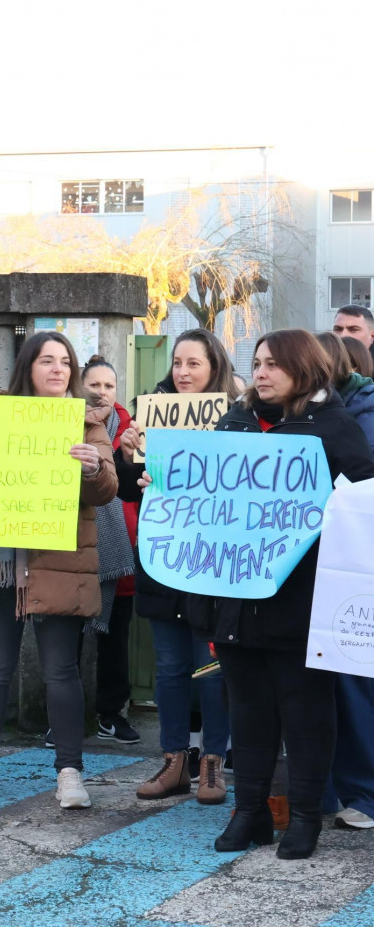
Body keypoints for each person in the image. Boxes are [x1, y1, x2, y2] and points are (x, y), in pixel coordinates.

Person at [185, 329, 374, 859]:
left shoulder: (334, 428)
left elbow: (363, 504)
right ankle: (250, 814)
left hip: (303, 599)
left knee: (306, 711)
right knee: (246, 708)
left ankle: (306, 817)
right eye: (258, 363)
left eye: (273, 364)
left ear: (303, 369)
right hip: (237, 598)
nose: (262, 373)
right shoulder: (237, 421)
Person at [0, 331, 117, 811]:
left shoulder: (87, 420)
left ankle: (69, 772)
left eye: (66, 361)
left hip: (58, 563)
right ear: (28, 367)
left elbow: (108, 485)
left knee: (61, 671)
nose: (58, 369)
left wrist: (93, 470)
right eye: (47, 360)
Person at [118, 328, 236, 806]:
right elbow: (128, 491)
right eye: (178, 363)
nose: (183, 372)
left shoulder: (238, 417)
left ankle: (213, 763)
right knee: (169, 666)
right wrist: (129, 460)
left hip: (212, 561)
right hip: (164, 558)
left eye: (194, 364)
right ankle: (173, 761)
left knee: (211, 666)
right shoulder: (151, 414)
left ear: (214, 368)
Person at [314, 332, 374, 833]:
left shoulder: (362, 418)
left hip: (353, 568)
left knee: (353, 681)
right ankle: (328, 788)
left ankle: (363, 794)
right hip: (311, 570)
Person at [80, 355, 139, 744]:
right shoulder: (64, 423)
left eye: (109, 386)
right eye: (94, 385)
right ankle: (62, 717)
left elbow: (134, 485)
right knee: (65, 642)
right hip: (74, 551)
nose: (102, 392)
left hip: (122, 554)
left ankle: (111, 712)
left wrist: (127, 455)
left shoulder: (133, 429)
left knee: (116, 640)